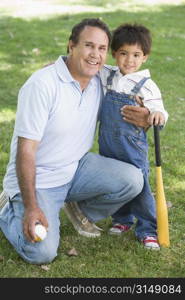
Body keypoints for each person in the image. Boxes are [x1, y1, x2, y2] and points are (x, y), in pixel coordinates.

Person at [0, 18, 147, 265]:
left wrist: (145, 116)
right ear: (71, 46)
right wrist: (32, 207)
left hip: (76, 168)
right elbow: (26, 151)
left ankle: (78, 211)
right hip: (40, 179)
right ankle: (8, 209)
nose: (95, 55)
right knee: (42, 252)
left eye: (102, 49)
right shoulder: (42, 84)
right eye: (88, 46)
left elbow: (132, 83)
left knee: (133, 180)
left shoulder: (102, 79)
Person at [98, 23, 168, 250]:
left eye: (137, 55)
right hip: (108, 145)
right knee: (116, 185)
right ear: (114, 54)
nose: (130, 60)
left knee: (140, 188)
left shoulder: (147, 86)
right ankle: (122, 220)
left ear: (145, 57)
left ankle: (148, 229)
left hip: (132, 147)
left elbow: (160, 109)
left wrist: (156, 114)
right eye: (124, 54)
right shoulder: (108, 74)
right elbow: (81, 65)